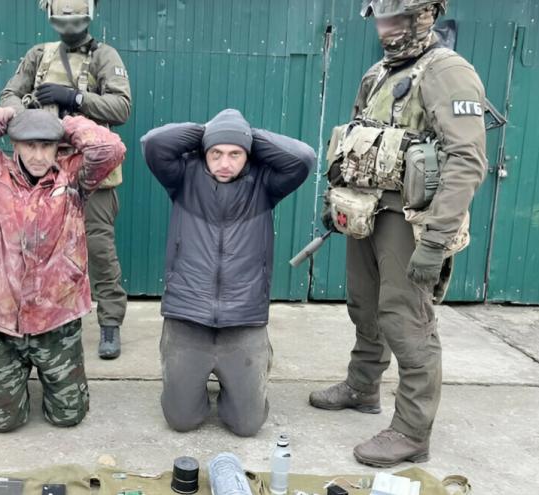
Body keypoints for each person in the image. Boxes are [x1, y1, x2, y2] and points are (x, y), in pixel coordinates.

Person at [308, 0, 487, 467]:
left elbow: (467, 160)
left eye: (393, 19)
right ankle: (363, 386)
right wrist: (335, 199)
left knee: (408, 321)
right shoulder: (378, 74)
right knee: (363, 305)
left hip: (409, 221)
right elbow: (353, 140)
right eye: (380, 19)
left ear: (421, 16)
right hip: (365, 213)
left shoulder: (447, 71)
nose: (384, 29)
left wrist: (436, 240)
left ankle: (411, 431)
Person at [0, 106, 126, 432]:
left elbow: (111, 148)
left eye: (46, 145)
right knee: (3, 422)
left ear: (58, 146)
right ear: (15, 143)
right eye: (29, 144)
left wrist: (63, 125)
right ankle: (4, 377)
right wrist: (10, 117)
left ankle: (43, 378)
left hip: (56, 318)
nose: (38, 156)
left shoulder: (73, 177)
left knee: (68, 417)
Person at [141, 109, 316, 437]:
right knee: (181, 421)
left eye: (235, 154)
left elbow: (303, 157)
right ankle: (193, 380)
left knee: (247, 426)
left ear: (248, 154)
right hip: (187, 317)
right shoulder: (183, 177)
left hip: (243, 320)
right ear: (204, 152)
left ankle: (239, 380)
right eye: (216, 153)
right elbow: (153, 143)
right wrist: (210, 130)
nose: (224, 163)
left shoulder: (265, 183)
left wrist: (244, 133)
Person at [1, 0, 132, 359]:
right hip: (44, 169)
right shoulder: (38, 55)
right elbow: (9, 94)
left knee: (99, 250)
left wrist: (74, 97)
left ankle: (110, 322)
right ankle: (41, 320)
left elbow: (121, 107)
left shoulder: (104, 56)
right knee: (37, 248)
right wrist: (30, 118)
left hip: (92, 172)